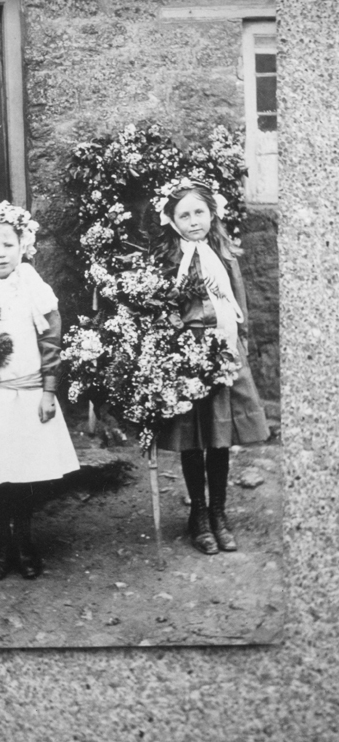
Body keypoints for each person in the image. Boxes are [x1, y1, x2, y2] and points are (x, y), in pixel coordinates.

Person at [0, 200, 80, 580]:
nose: (1, 253)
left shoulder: (33, 287)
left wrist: (48, 391)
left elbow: (51, 341)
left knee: (25, 474)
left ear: (22, 245)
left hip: (27, 391)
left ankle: (24, 541)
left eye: (8, 244)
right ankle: (0, 542)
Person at [155, 177, 269, 555]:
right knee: (193, 438)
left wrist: (242, 343)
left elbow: (238, 301)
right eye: (183, 215)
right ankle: (198, 516)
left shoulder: (223, 254)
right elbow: (160, 309)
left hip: (223, 349)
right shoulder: (170, 261)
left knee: (219, 438)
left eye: (199, 212)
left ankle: (219, 513)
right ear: (171, 220)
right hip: (187, 354)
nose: (193, 221)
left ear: (211, 213)